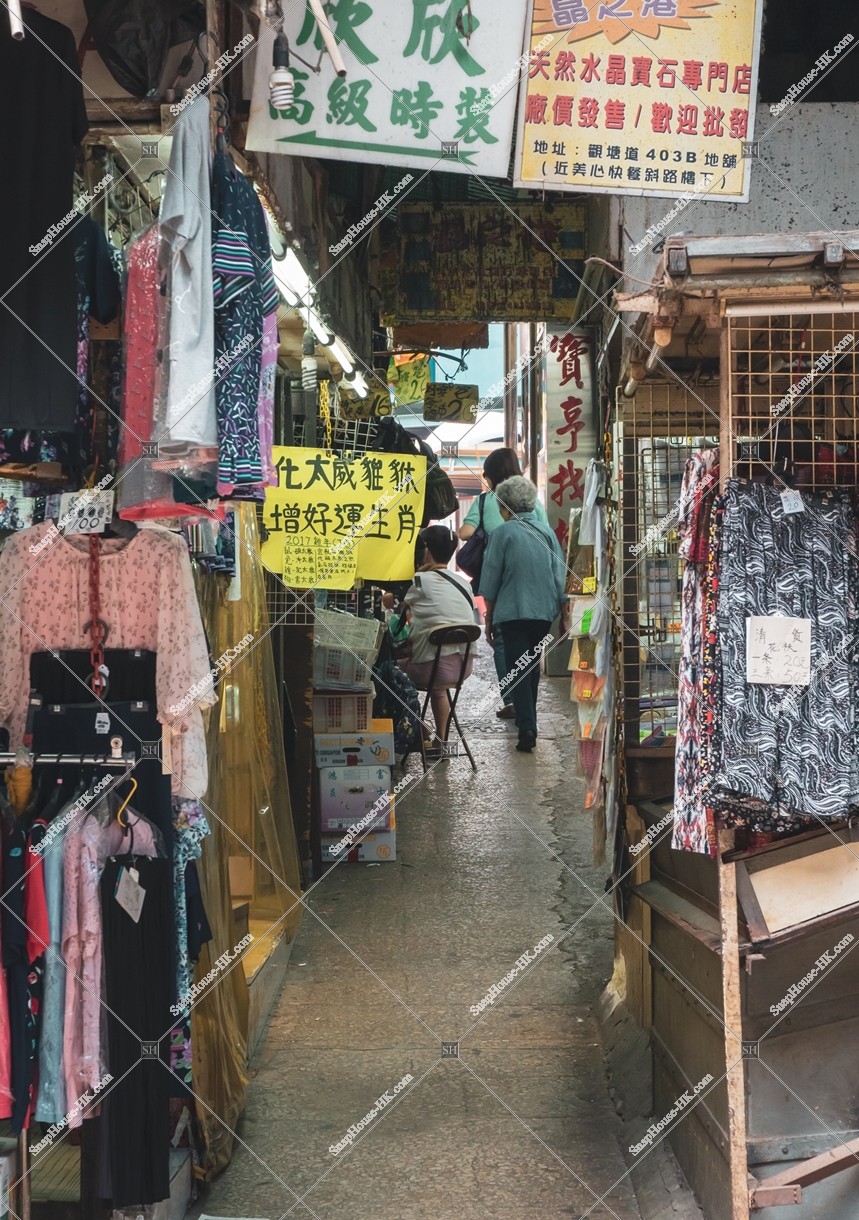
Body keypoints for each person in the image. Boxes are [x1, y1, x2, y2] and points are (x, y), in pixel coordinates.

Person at [458, 448, 548, 720]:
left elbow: (465, 533)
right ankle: (526, 706)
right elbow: (545, 538)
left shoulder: (486, 501)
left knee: (501, 640)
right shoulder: (535, 504)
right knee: (532, 647)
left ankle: (511, 698)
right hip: (533, 581)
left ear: (493, 474)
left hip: (498, 580)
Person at [478, 476, 567, 753]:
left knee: (518, 669)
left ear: (506, 507)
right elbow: (559, 574)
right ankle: (530, 722)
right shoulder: (546, 532)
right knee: (530, 668)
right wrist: (564, 613)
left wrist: (488, 618)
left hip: (513, 612)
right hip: (543, 612)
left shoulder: (503, 534)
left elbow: (491, 579)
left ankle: (527, 727)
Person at [382, 526, 476, 749]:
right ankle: (440, 741)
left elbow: (389, 601)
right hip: (463, 667)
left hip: (429, 667)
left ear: (425, 551)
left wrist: (417, 572)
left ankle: (419, 730)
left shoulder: (420, 581)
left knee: (386, 673)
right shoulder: (464, 584)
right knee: (438, 686)